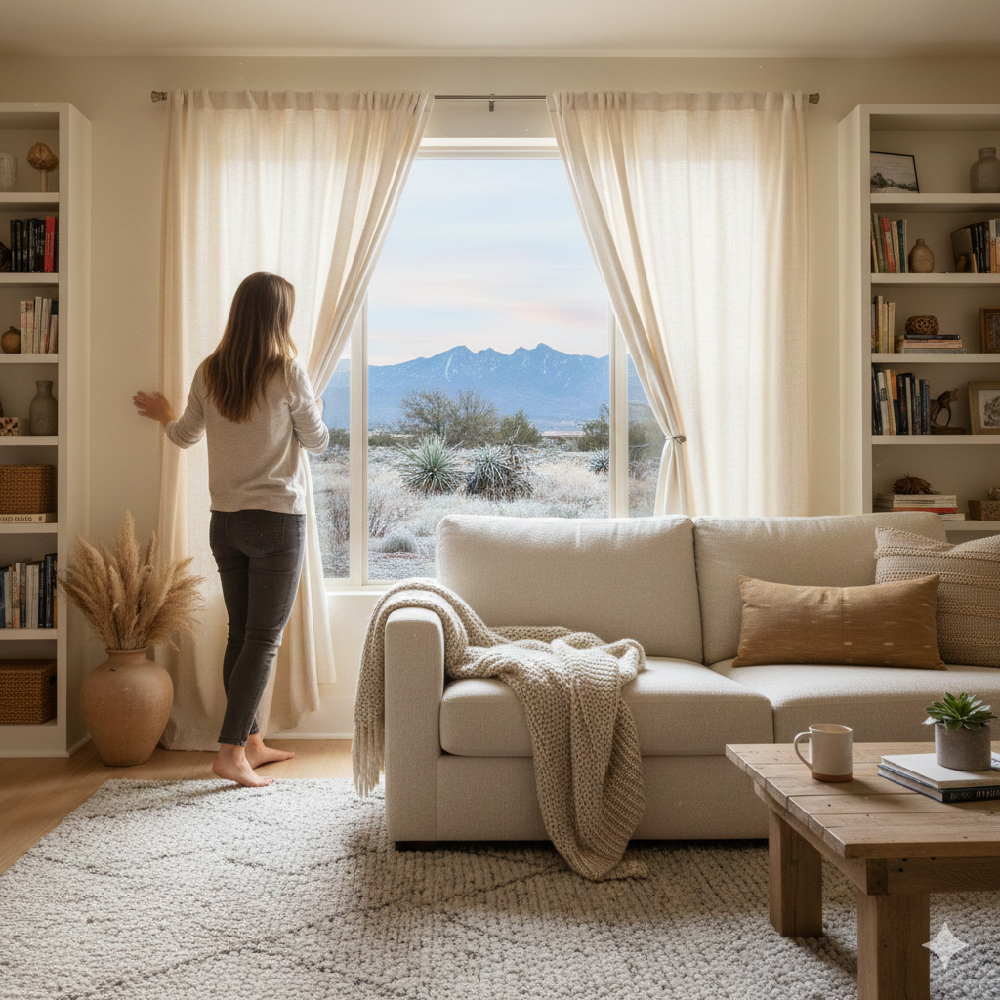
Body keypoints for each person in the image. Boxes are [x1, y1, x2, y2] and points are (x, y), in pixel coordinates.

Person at [134, 272, 329, 787]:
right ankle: (231, 750)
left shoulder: (209, 371)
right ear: (277, 317)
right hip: (276, 522)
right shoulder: (287, 372)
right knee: (262, 640)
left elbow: (183, 436)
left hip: (227, 524)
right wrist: (317, 410)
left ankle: (254, 742)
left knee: (241, 635)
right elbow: (318, 440)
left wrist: (165, 415)